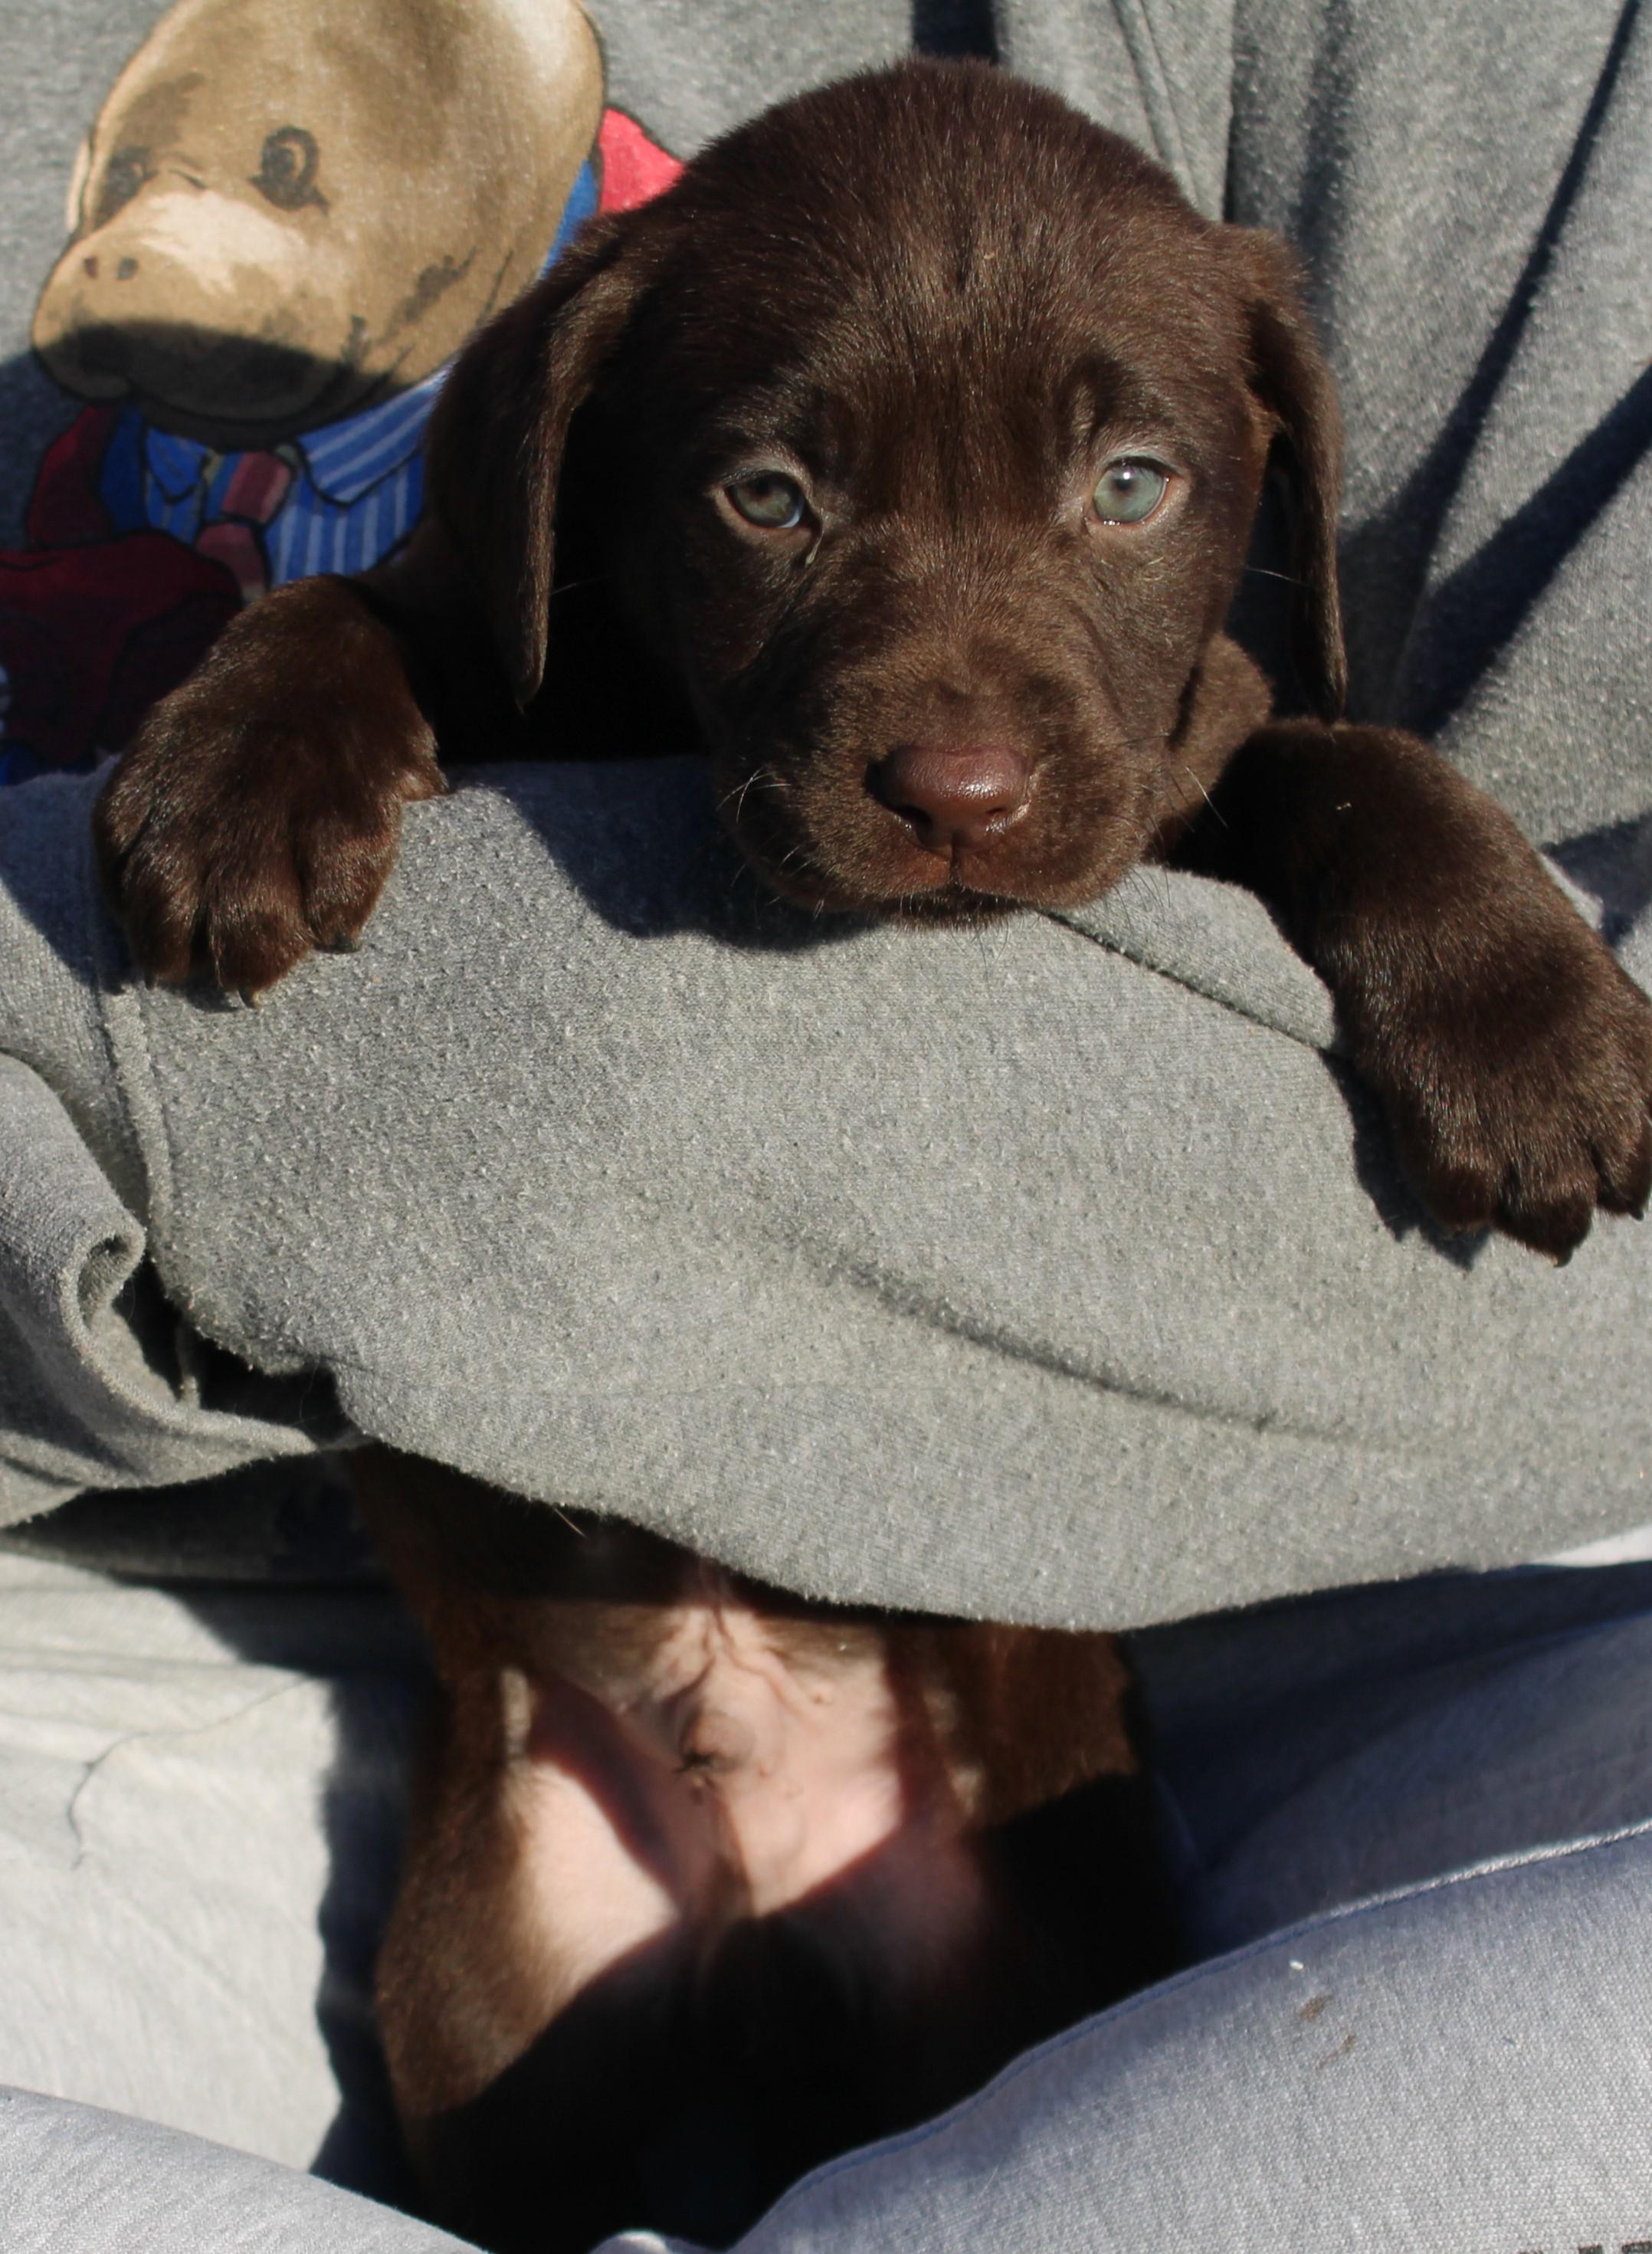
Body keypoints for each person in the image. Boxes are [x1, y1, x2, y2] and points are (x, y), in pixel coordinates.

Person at [0, 2, 1648, 2246]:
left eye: (1127, 491)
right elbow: (419, 629)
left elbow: (1281, 773)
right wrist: (320, 672)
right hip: (361, 1686)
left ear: (1271, 470)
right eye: (775, 499)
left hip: (1031, 1713)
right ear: (577, 465)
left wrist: (1394, 832)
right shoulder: (545, 523)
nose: (961, 745)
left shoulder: (1220, 671)